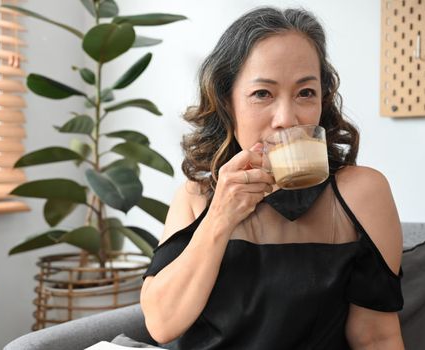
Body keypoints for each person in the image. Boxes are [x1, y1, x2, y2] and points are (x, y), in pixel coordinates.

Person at [140, 6, 405, 350]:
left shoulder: (362, 193)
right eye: (263, 94)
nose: (287, 118)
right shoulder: (196, 196)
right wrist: (221, 216)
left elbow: (375, 337)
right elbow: (162, 325)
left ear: (322, 100)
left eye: (305, 93)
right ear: (227, 102)